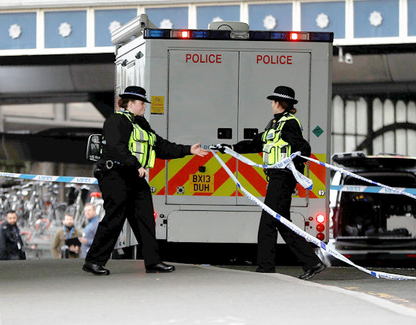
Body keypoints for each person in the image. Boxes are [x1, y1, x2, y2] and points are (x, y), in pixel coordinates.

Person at [82, 86, 209, 275]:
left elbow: (162, 147)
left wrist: (188, 150)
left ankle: (153, 261)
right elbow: (117, 147)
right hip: (115, 175)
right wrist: (135, 164)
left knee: (146, 219)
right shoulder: (115, 121)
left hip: (134, 177)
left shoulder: (141, 124)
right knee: (114, 219)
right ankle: (93, 261)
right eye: (142, 103)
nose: (144, 107)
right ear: (130, 103)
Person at [227, 86, 326, 280]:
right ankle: (312, 262)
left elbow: (303, 147)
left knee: (268, 222)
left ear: (278, 103)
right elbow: (256, 143)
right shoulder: (274, 125)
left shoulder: (289, 124)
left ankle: (266, 267)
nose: (271, 105)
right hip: (277, 178)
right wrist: (230, 148)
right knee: (282, 223)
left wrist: (293, 165)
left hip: (283, 178)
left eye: (273, 101)